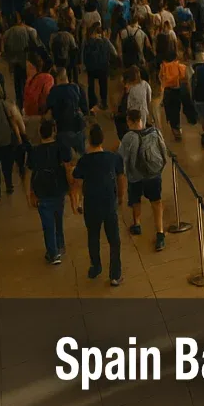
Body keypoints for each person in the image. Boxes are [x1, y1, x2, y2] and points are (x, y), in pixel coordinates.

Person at [72, 123, 127, 286]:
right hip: (109, 203)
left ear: (89, 141)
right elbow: (121, 178)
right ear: (102, 140)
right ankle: (115, 275)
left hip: (91, 204)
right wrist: (121, 197)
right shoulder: (113, 157)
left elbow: (77, 180)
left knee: (93, 236)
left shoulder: (84, 161)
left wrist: (77, 201)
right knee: (114, 239)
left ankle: (95, 266)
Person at [118, 108, 168, 251]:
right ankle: (160, 233)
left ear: (130, 121)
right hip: (153, 174)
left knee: (135, 200)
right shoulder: (155, 132)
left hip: (135, 176)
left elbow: (121, 157)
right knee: (156, 202)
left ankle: (137, 224)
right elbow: (163, 151)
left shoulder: (128, 137)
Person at [27, 118, 73, 265]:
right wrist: (71, 186)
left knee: (47, 223)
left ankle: (53, 253)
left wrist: (30, 192)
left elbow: (29, 173)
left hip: (42, 191)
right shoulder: (61, 147)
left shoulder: (34, 152)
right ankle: (60, 244)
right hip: (59, 188)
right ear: (53, 132)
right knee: (58, 218)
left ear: (40, 134)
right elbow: (67, 167)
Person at [81, 25, 115, 110]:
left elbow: (83, 54)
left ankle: (92, 104)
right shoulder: (106, 41)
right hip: (103, 67)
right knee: (103, 84)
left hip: (91, 68)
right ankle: (104, 102)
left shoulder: (87, 42)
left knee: (91, 86)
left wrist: (84, 65)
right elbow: (114, 52)